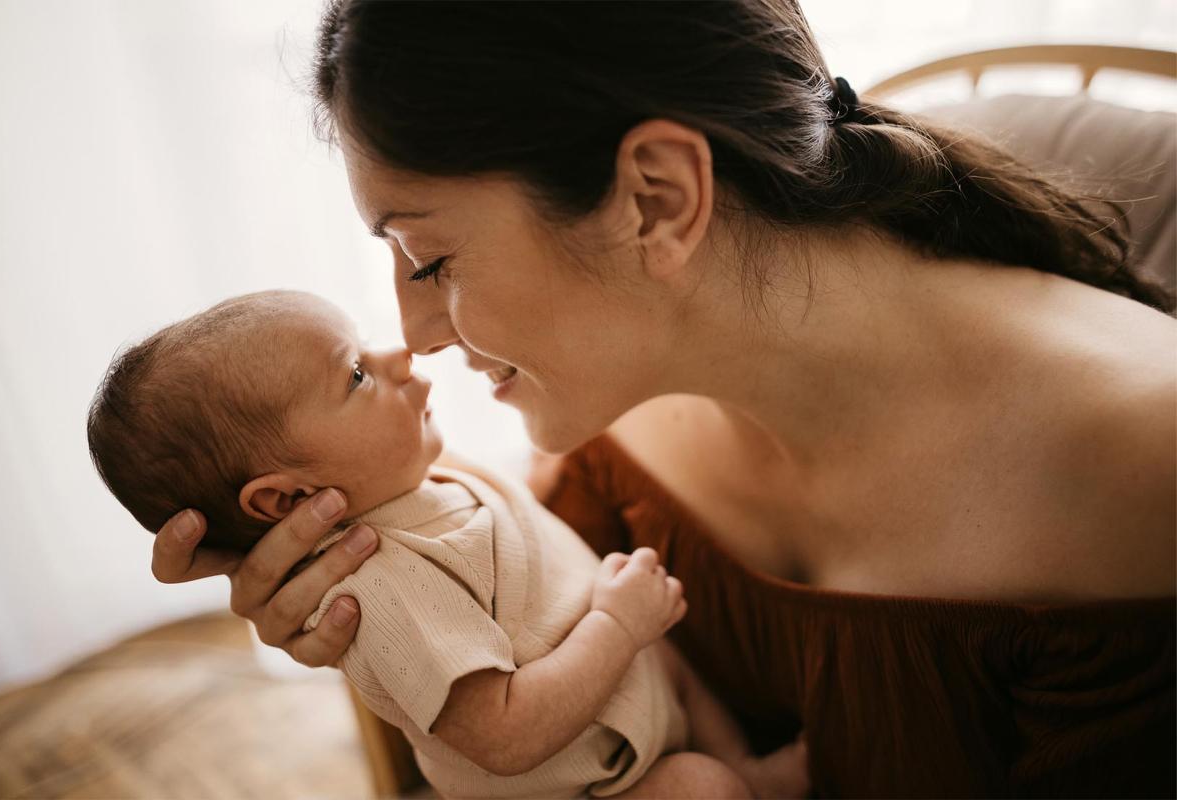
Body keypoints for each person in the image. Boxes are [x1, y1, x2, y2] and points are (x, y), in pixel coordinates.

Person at [148, 1, 1176, 795]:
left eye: (433, 256)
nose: (417, 334)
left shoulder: (1134, 464)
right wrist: (363, 596)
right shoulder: (618, 403)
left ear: (657, 197)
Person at [88, 289, 811, 799]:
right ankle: (735, 778)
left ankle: (748, 768)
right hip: (590, 785)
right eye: (355, 374)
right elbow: (502, 737)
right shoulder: (379, 583)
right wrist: (618, 625)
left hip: (622, 703)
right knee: (698, 790)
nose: (399, 353)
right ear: (288, 499)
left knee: (668, 665)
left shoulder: (413, 480)